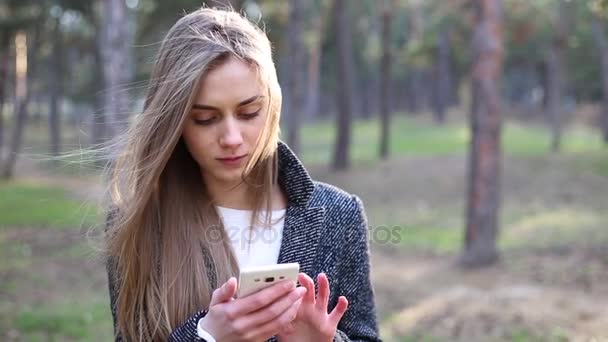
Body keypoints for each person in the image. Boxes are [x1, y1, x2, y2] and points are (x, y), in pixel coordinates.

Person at [104, 6, 380, 342]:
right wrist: (207, 336)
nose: (231, 139)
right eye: (205, 119)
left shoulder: (339, 215)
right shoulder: (139, 223)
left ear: (273, 106)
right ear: (175, 124)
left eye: (249, 112)